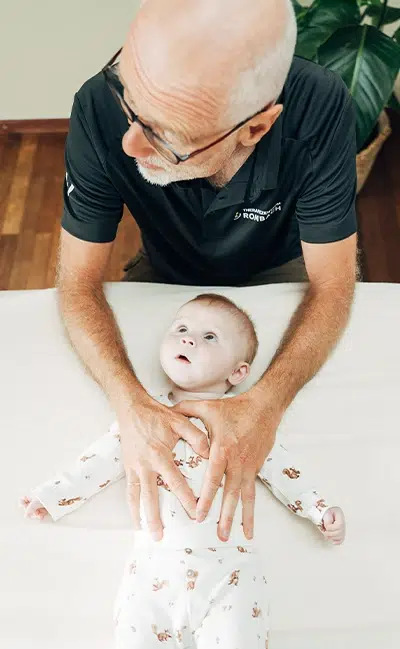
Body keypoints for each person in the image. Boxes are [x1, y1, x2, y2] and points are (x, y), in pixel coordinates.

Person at [58, 0, 358, 543]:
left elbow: (334, 282)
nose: (129, 144)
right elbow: (77, 281)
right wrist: (129, 404)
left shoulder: (320, 106)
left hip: (278, 265)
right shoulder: (98, 106)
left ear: (257, 128)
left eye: (165, 135)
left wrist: (264, 406)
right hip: (164, 267)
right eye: (131, 105)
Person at [21, 294, 345, 649]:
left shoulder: (245, 424)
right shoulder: (144, 418)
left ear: (238, 372)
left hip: (231, 574)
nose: (189, 338)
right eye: (182, 329)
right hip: (151, 571)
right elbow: (99, 460)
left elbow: (284, 470)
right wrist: (53, 496)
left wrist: (319, 508)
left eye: (210, 337)